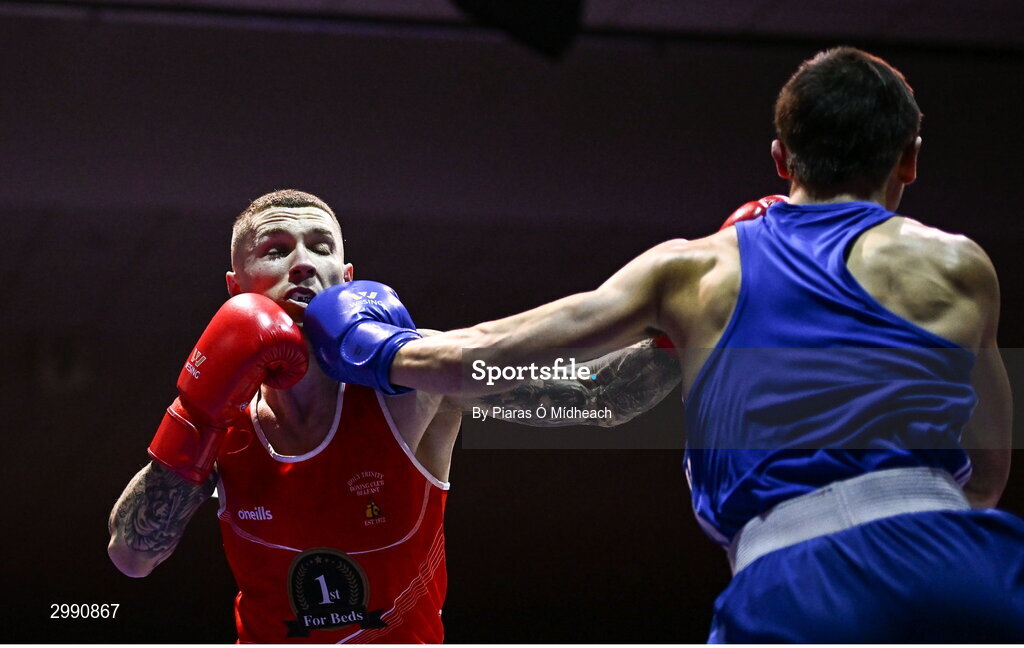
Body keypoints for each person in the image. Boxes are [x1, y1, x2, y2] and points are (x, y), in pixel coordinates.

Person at [305, 47, 1024, 641]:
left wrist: (373, 347)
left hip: (802, 584)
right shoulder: (962, 266)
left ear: (781, 157)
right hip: (966, 569)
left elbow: (488, 352)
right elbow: (987, 475)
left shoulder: (701, 268)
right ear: (910, 159)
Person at [106, 189, 681, 643]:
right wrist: (196, 417)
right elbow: (132, 557)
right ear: (235, 288)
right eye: (276, 250)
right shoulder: (221, 418)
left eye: (321, 248)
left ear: (347, 278)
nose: (303, 264)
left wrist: (686, 329)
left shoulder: (417, 383)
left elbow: (600, 395)